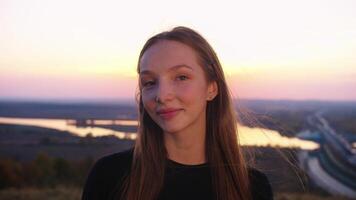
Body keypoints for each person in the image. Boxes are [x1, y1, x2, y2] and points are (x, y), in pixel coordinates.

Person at [82, 26, 273, 200]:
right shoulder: (110, 177)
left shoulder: (252, 188)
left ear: (212, 88)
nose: (162, 95)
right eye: (149, 82)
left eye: (181, 77)